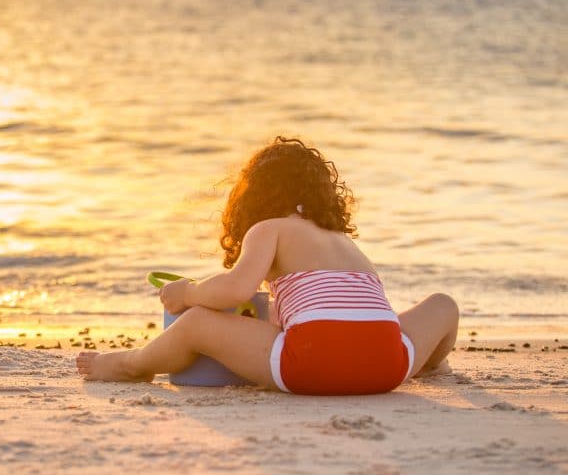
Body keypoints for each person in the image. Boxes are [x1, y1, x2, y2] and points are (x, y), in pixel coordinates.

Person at [76, 136, 459, 395]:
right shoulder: (344, 244)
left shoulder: (269, 228)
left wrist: (187, 292)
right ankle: (432, 366)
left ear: (253, 199)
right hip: (389, 366)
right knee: (443, 304)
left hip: (313, 364)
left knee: (195, 324)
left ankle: (130, 365)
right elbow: (333, 309)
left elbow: (236, 290)